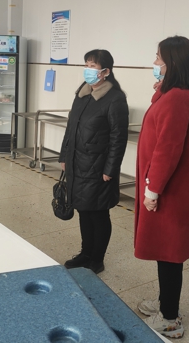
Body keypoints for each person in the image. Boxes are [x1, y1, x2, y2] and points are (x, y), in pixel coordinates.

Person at [134, 36, 189, 339]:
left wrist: (152, 190)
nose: (155, 63)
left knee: (170, 253)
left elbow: (167, 150)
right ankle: (165, 303)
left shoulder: (177, 98)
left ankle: (170, 319)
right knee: (166, 250)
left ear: (172, 62)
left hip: (169, 191)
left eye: (159, 58)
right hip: (169, 187)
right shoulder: (177, 93)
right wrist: (161, 89)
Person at [59, 49, 129, 274]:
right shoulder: (82, 93)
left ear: (106, 71)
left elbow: (118, 138)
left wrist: (110, 169)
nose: (88, 70)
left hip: (99, 168)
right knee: (83, 209)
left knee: (98, 213)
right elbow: (71, 127)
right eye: (86, 65)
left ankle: (97, 259)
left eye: (93, 66)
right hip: (77, 163)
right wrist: (64, 155)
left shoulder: (115, 98)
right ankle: (85, 253)